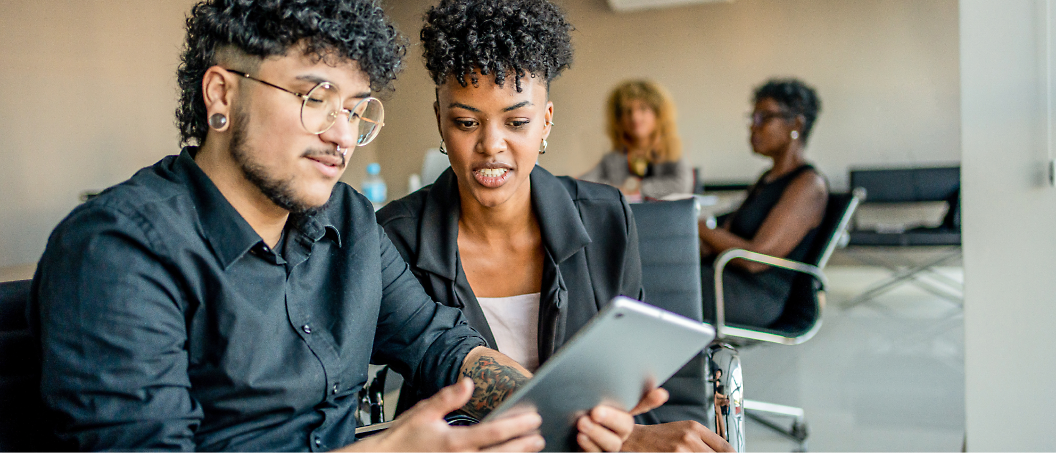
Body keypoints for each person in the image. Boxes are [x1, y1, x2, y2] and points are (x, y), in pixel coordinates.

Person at [28, 1, 665, 452]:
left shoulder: (349, 223)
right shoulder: (118, 249)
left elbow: (441, 346)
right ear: (220, 96)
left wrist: (601, 425)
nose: (342, 135)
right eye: (314, 97)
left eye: (356, 110)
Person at [377, 1, 734, 452]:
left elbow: (626, 378)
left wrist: (624, 431)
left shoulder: (607, 217)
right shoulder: (396, 237)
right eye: (466, 122)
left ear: (545, 122)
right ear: (440, 122)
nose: (491, 146)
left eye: (517, 122)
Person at [698, 78, 828, 327]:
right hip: (728, 279)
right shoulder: (767, 180)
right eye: (752, 118)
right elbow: (728, 233)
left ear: (796, 125)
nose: (753, 128)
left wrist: (699, 227)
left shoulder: (808, 185)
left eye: (764, 118)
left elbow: (755, 260)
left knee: (654, 285)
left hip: (757, 296)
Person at [580, 79, 694, 201]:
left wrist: (637, 189)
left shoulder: (672, 150)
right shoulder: (614, 157)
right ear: (619, 118)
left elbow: (682, 185)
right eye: (628, 111)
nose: (635, 117)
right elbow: (584, 183)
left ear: (658, 114)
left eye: (643, 109)